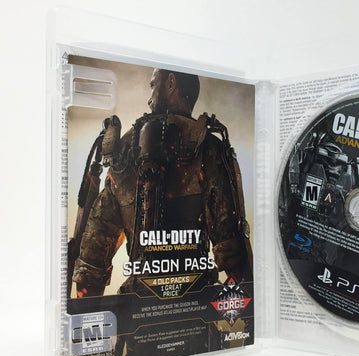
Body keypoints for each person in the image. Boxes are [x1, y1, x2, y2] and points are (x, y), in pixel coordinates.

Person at [72, 68, 253, 299]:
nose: (149, 98)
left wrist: (96, 318)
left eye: (153, 85)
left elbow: (92, 260)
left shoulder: (125, 151)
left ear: (171, 83)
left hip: (137, 304)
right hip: (196, 301)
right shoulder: (208, 148)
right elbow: (235, 257)